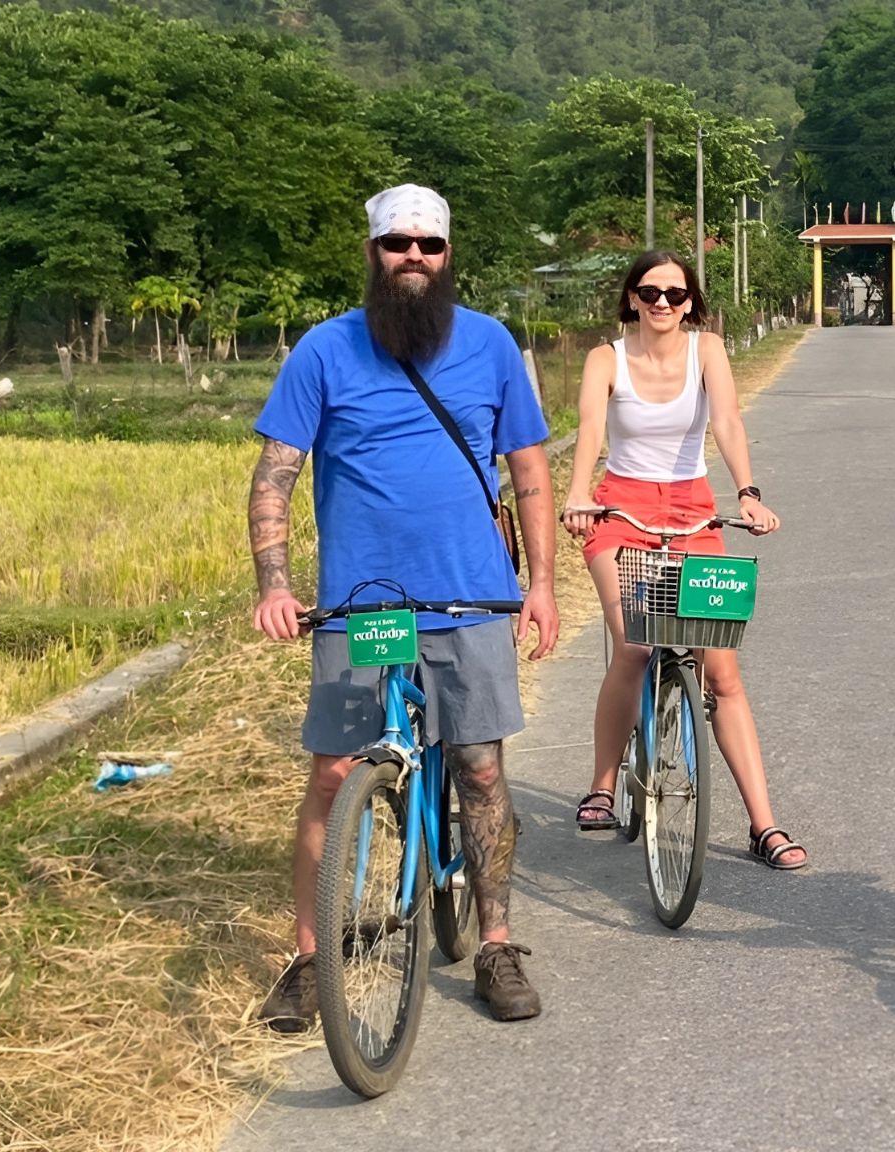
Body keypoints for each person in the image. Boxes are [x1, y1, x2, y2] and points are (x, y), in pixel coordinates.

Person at [247, 184, 560, 1030]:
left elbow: (530, 473)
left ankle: (494, 941)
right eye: (397, 245)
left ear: (448, 255)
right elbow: (276, 474)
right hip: (360, 609)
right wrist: (275, 585)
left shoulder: (491, 345)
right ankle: (313, 958)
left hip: (470, 600)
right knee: (334, 773)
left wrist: (541, 585)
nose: (412, 258)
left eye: (427, 245)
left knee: (482, 769)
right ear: (373, 253)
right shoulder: (324, 351)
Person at [560, 251, 807, 870]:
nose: (663, 303)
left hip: (694, 512)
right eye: (650, 293)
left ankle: (764, 824)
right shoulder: (605, 359)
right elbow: (591, 427)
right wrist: (578, 493)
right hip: (622, 510)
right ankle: (604, 784)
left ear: (692, 301)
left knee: (721, 672)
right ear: (632, 300)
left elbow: (726, 419)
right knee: (636, 644)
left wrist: (747, 493)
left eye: (675, 294)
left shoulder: (710, 351)